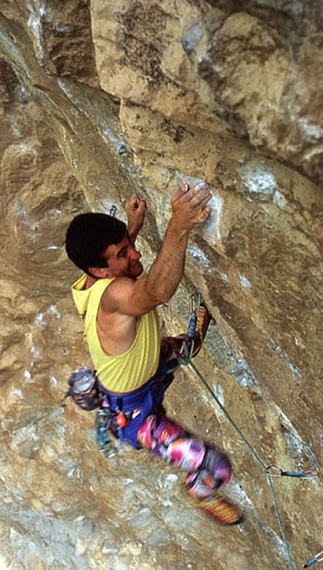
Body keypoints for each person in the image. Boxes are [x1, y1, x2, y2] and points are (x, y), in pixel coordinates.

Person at [65, 182, 242, 525]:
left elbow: (112, 259)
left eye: (127, 246)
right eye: (123, 254)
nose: (136, 254)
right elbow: (157, 290)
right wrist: (179, 224)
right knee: (216, 467)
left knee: (187, 347)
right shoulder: (113, 294)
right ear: (100, 273)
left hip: (144, 369)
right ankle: (200, 490)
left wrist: (132, 228)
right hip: (135, 417)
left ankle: (197, 327)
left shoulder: (87, 281)